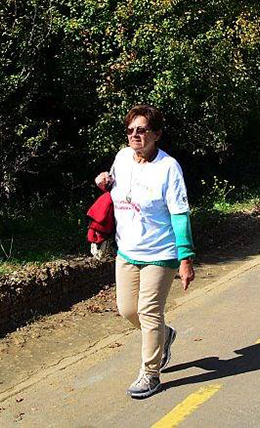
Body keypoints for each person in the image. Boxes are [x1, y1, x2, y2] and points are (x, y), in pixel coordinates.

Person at [94, 104, 196, 400]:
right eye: (130, 130)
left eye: (142, 130)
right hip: (127, 250)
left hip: (160, 252)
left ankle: (150, 374)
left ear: (157, 134)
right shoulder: (123, 158)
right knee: (128, 310)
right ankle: (165, 336)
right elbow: (115, 189)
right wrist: (103, 181)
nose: (135, 135)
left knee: (149, 312)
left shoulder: (168, 168)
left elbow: (180, 214)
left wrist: (185, 258)